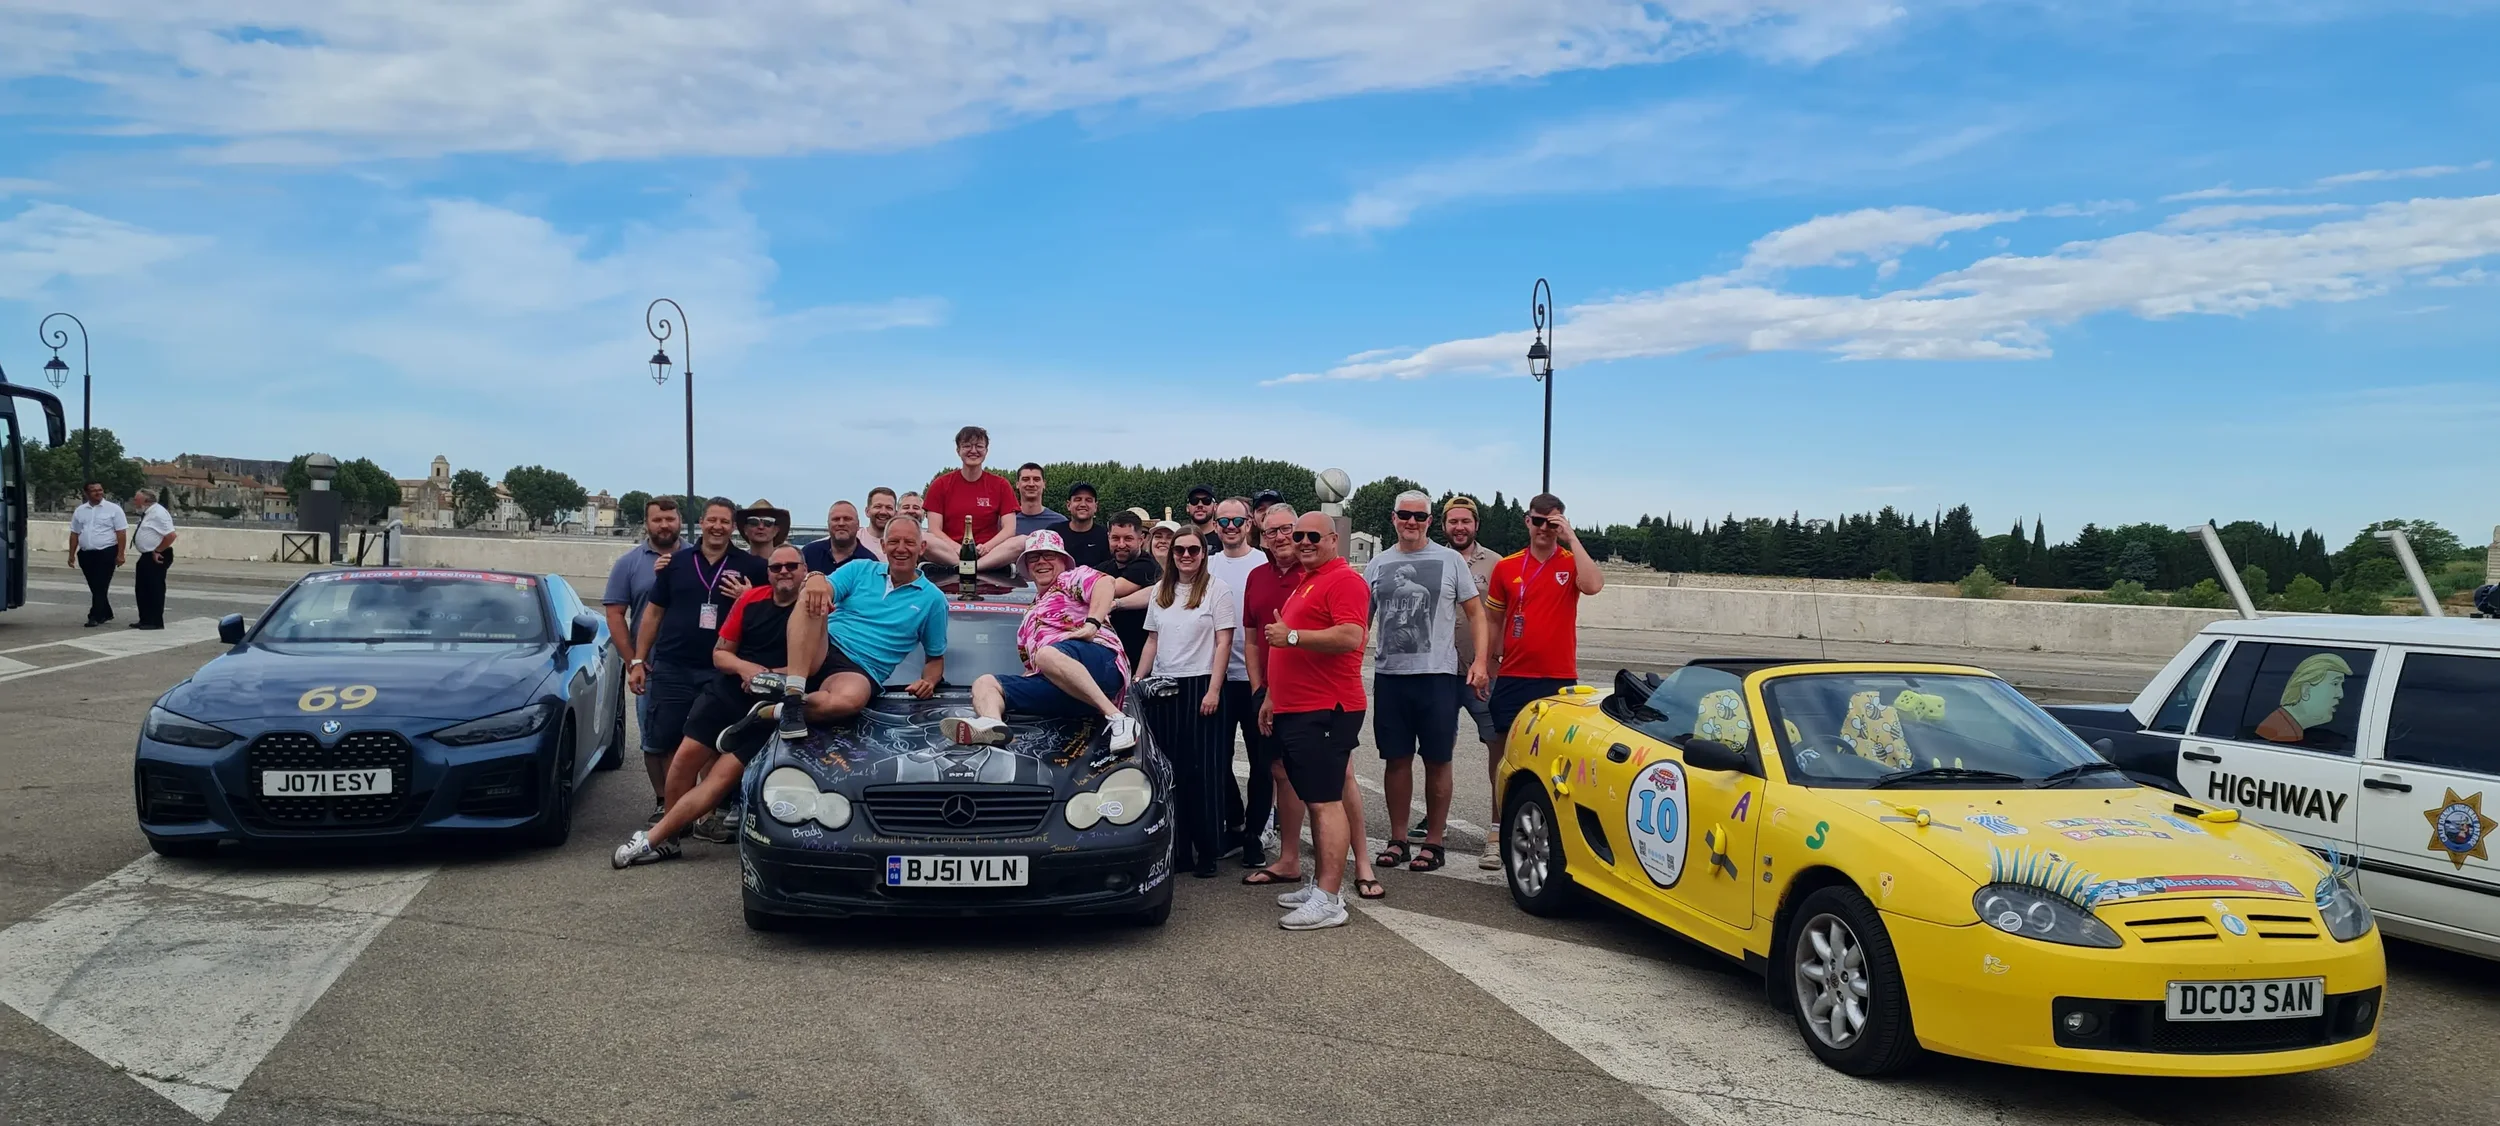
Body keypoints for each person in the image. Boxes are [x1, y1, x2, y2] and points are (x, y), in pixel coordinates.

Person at [615, 545, 822, 867]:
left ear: (804, 569)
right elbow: (721, 654)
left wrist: (766, 677)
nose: (783, 572)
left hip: (768, 707)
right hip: (727, 692)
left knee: (721, 777)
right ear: (767, 572)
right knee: (684, 760)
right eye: (776, 566)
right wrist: (745, 669)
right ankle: (670, 838)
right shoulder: (750, 600)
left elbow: (813, 666)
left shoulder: (814, 609)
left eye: (791, 566)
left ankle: (656, 837)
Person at [1257, 512, 1375, 928]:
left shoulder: (1344, 580)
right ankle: (1321, 884)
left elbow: (1350, 636)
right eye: (1298, 535)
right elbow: (1284, 647)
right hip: (1298, 707)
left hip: (1326, 708)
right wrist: (1273, 694)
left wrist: (1291, 636)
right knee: (1315, 796)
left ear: (1332, 540)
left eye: (1313, 536)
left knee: (1326, 802)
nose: (1303, 542)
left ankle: (1329, 897)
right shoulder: (1310, 581)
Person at [1367, 491, 1488, 874]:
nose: (1412, 522)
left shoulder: (1450, 560)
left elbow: (1476, 614)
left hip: (1437, 676)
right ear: (1393, 517)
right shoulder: (1379, 564)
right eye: (1405, 515)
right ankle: (1398, 839)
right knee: (1395, 760)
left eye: (1419, 517)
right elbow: (1361, 620)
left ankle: (1434, 842)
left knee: (1438, 759)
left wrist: (1481, 661)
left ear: (1430, 521)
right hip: (1391, 675)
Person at [628, 498, 768, 821]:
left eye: (725, 521)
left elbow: (774, 614)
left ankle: (710, 813)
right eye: (712, 520)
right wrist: (637, 661)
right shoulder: (674, 563)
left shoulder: (753, 568)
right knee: (667, 739)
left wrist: (748, 598)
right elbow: (653, 614)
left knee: (716, 743)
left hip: (721, 670)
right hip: (673, 666)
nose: (718, 527)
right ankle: (671, 810)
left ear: (734, 527)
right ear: (701, 522)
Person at [1484, 493, 1606, 863]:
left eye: (1552, 523)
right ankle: (1496, 829)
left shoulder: (1570, 563)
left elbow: (1594, 585)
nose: (1544, 530)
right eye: (1538, 522)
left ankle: (1552, 833)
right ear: (1527, 521)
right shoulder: (1507, 566)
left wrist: (1571, 538)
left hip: (1558, 677)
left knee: (1556, 761)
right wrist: (1488, 664)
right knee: (1502, 754)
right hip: (1514, 673)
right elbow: (1494, 620)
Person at [940, 530, 1142, 751]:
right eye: (1034, 557)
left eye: (1049, 555)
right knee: (984, 683)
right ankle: (993, 725)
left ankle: (1118, 718)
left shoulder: (1070, 578)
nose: (1041, 562)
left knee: (1046, 654)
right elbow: (1035, 663)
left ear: (1064, 561)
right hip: (1067, 686)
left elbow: (1106, 583)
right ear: (1027, 565)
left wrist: (1092, 624)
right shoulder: (1030, 613)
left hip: (1101, 661)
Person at [1135, 528, 1238, 878]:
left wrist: (1214, 689)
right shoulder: (1161, 592)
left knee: (1204, 773)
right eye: (1180, 550)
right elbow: (1152, 639)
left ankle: (1209, 850)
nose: (1186, 556)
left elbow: (1224, 642)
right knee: (1170, 772)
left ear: (1203, 553)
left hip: (1201, 685)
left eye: (1193, 549)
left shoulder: (1216, 589)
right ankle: (1179, 852)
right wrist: (1137, 680)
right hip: (1164, 687)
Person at [781, 517, 950, 730]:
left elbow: (935, 657)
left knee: (847, 702)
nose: (901, 549)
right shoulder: (859, 569)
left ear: (922, 547)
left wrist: (930, 682)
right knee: (811, 595)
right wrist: (815, 578)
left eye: (909, 542)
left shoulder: (934, 600)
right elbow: (824, 589)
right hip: (822, 646)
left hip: (861, 669)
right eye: (894, 541)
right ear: (883, 545)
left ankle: (775, 710)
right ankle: (793, 694)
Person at [1237, 503, 1305, 874]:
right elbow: (1250, 640)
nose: (1279, 537)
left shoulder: (1312, 575)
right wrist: (1259, 689)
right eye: (1270, 531)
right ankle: (1287, 857)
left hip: (1307, 692)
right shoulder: (1257, 576)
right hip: (1266, 691)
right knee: (1276, 768)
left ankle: (1352, 861)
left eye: (1285, 529)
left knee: (1329, 776)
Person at [1440, 495, 1507, 863]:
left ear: (1476, 525)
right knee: (1438, 749)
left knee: (1496, 747)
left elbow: (1505, 615)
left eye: (1465, 521)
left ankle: (1497, 830)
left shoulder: (1496, 564)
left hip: (1482, 673)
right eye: (1453, 522)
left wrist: (1493, 660)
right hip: (1440, 672)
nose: (1459, 528)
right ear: (1444, 525)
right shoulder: (1435, 558)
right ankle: (1438, 822)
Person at [605, 496, 682, 783]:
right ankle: (663, 802)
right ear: (647, 523)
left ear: (680, 522)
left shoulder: (696, 559)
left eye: (670, 519)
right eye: (657, 520)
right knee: (654, 740)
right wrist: (632, 660)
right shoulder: (628, 564)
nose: (664, 525)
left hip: (692, 665)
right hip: (651, 668)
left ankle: (695, 808)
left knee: (698, 743)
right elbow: (615, 615)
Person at [1203, 497, 1264, 850]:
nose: (1230, 528)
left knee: (1260, 762)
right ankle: (1233, 820)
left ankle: (1256, 832)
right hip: (1218, 678)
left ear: (1249, 524)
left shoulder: (1263, 563)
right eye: (1222, 521)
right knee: (1217, 758)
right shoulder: (1206, 565)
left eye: (1236, 521)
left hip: (1255, 678)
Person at [923, 425, 1024, 570]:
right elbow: (934, 529)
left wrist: (987, 547)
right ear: (958, 451)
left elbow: (1009, 529)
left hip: (989, 553)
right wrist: (958, 548)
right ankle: (965, 566)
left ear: (986, 451)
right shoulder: (940, 484)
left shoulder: (1001, 485)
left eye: (979, 446)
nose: (973, 451)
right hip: (951, 552)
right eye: (967, 446)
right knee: (922, 538)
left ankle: (971, 568)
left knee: (1023, 541)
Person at [1101, 510, 1162, 665]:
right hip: (1110, 656)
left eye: (1128, 538)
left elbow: (1115, 588)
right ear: (1108, 537)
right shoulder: (1104, 568)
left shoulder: (1148, 566)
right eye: (1115, 538)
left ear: (1141, 539)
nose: (1121, 544)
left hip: (1140, 657)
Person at [67, 481, 127, 628]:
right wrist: (71, 554)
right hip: (86, 554)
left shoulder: (114, 509)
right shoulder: (80, 510)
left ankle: (94, 615)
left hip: (106, 551)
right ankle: (106, 612)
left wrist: (121, 554)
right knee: (95, 586)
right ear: (86, 493)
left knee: (101, 584)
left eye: (100, 490)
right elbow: (74, 533)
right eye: (94, 491)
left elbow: (121, 533)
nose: (98, 493)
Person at [129, 488, 178, 630]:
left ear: (146, 501)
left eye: (136, 499)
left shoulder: (159, 513)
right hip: (146, 555)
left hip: (157, 555)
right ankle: (145, 618)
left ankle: (155, 621)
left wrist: (158, 550)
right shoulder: (147, 513)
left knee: (154, 588)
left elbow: (171, 536)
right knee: (142, 588)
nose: (134, 502)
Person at [803, 500, 876, 575]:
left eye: (847, 519)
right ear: (828, 524)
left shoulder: (870, 563)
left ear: (858, 525)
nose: (841, 523)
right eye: (836, 519)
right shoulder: (808, 553)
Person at [1059, 482, 1111, 569]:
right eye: (1078, 499)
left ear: (1095, 506)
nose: (1083, 504)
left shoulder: (1105, 536)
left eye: (1088, 500)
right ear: (1068, 505)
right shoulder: (1055, 533)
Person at [1009, 463, 1068, 536]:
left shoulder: (1060, 522)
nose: (1031, 484)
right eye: (1025, 479)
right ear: (1017, 484)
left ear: (1044, 484)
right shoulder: (1006, 522)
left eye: (1036, 479)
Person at [862, 487, 899, 560]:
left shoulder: (902, 543)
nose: (883, 512)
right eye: (878, 507)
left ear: (896, 514)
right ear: (867, 511)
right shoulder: (855, 540)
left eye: (889, 508)